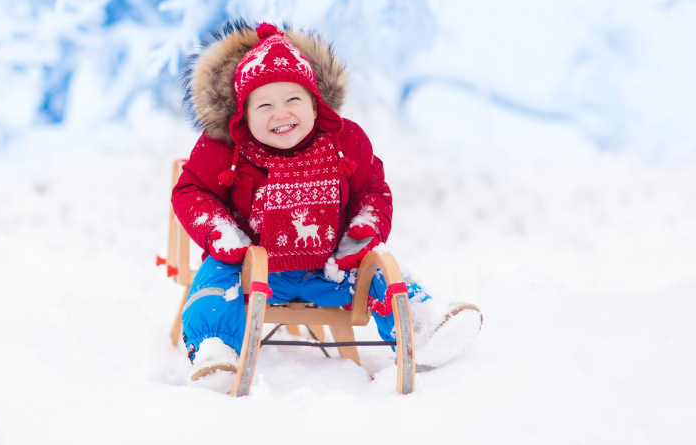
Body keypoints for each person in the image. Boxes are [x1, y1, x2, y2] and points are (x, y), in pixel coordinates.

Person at [172, 21, 481, 390]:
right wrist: (222, 233)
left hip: (328, 268)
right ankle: (214, 349)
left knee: (379, 270)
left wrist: (364, 228)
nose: (281, 113)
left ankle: (420, 324)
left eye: (293, 100)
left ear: (314, 102)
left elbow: (372, 188)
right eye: (265, 105)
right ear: (243, 115)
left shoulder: (344, 141)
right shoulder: (225, 150)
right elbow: (191, 190)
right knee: (216, 278)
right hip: (252, 271)